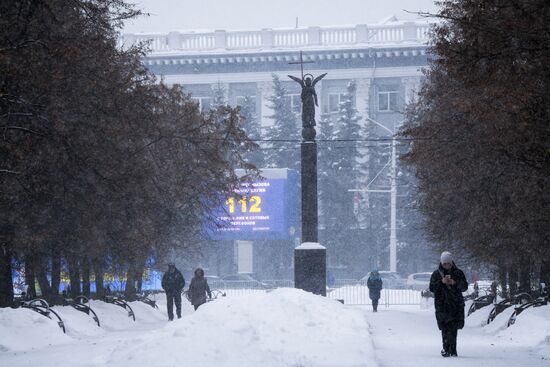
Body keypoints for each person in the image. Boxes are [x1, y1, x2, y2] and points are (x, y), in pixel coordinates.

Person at [429, 251, 468, 357]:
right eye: (444, 263)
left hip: (455, 305)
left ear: (451, 263)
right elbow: (432, 288)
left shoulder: (458, 273)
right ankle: (446, 348)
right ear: (441, 263)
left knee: (453, 328)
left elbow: (464, 287)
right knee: (445, 327)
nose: (446, 265)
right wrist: (441, 282)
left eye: (448, 263)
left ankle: (453, 349)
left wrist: (454, 283)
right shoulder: (436, 274)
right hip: (442, 305)